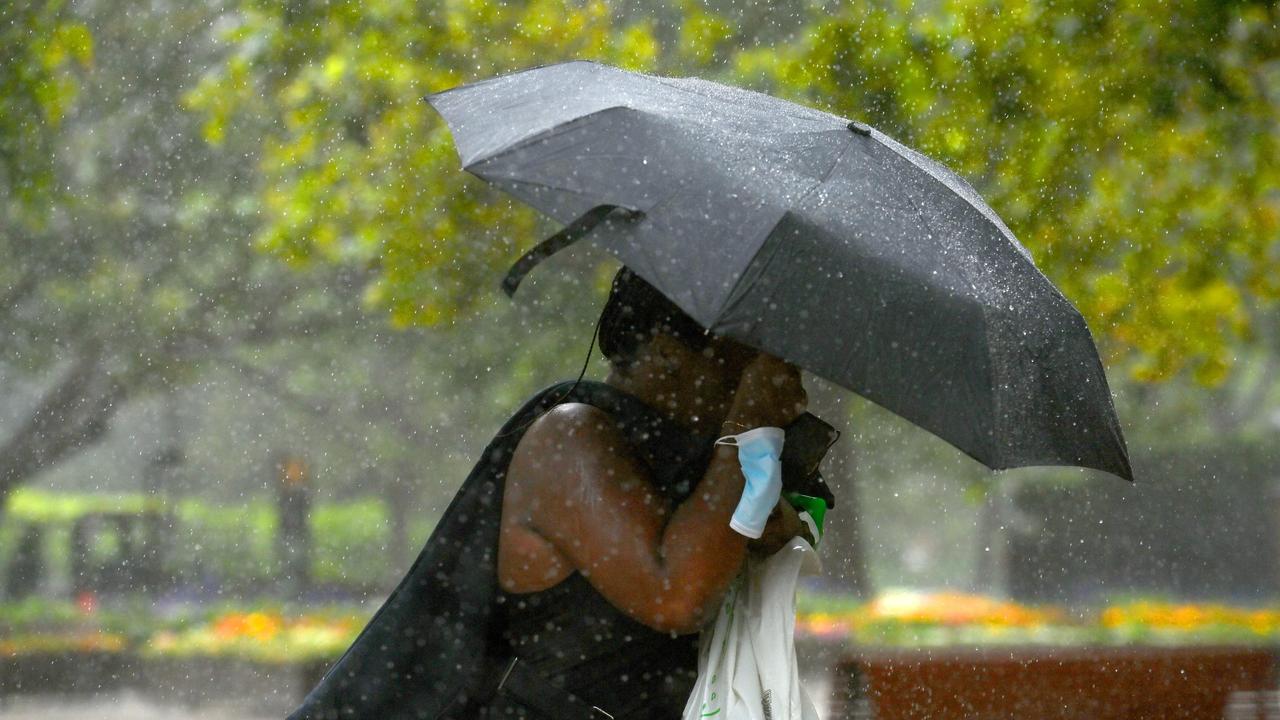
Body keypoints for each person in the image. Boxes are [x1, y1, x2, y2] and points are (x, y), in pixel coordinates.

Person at [289, 267, 811, 720]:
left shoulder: (677, 463)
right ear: (670, 353)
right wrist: (750, 424)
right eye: (753, 357)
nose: (777, 378)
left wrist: (766, 511)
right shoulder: (571, 437)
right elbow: (677, 595)